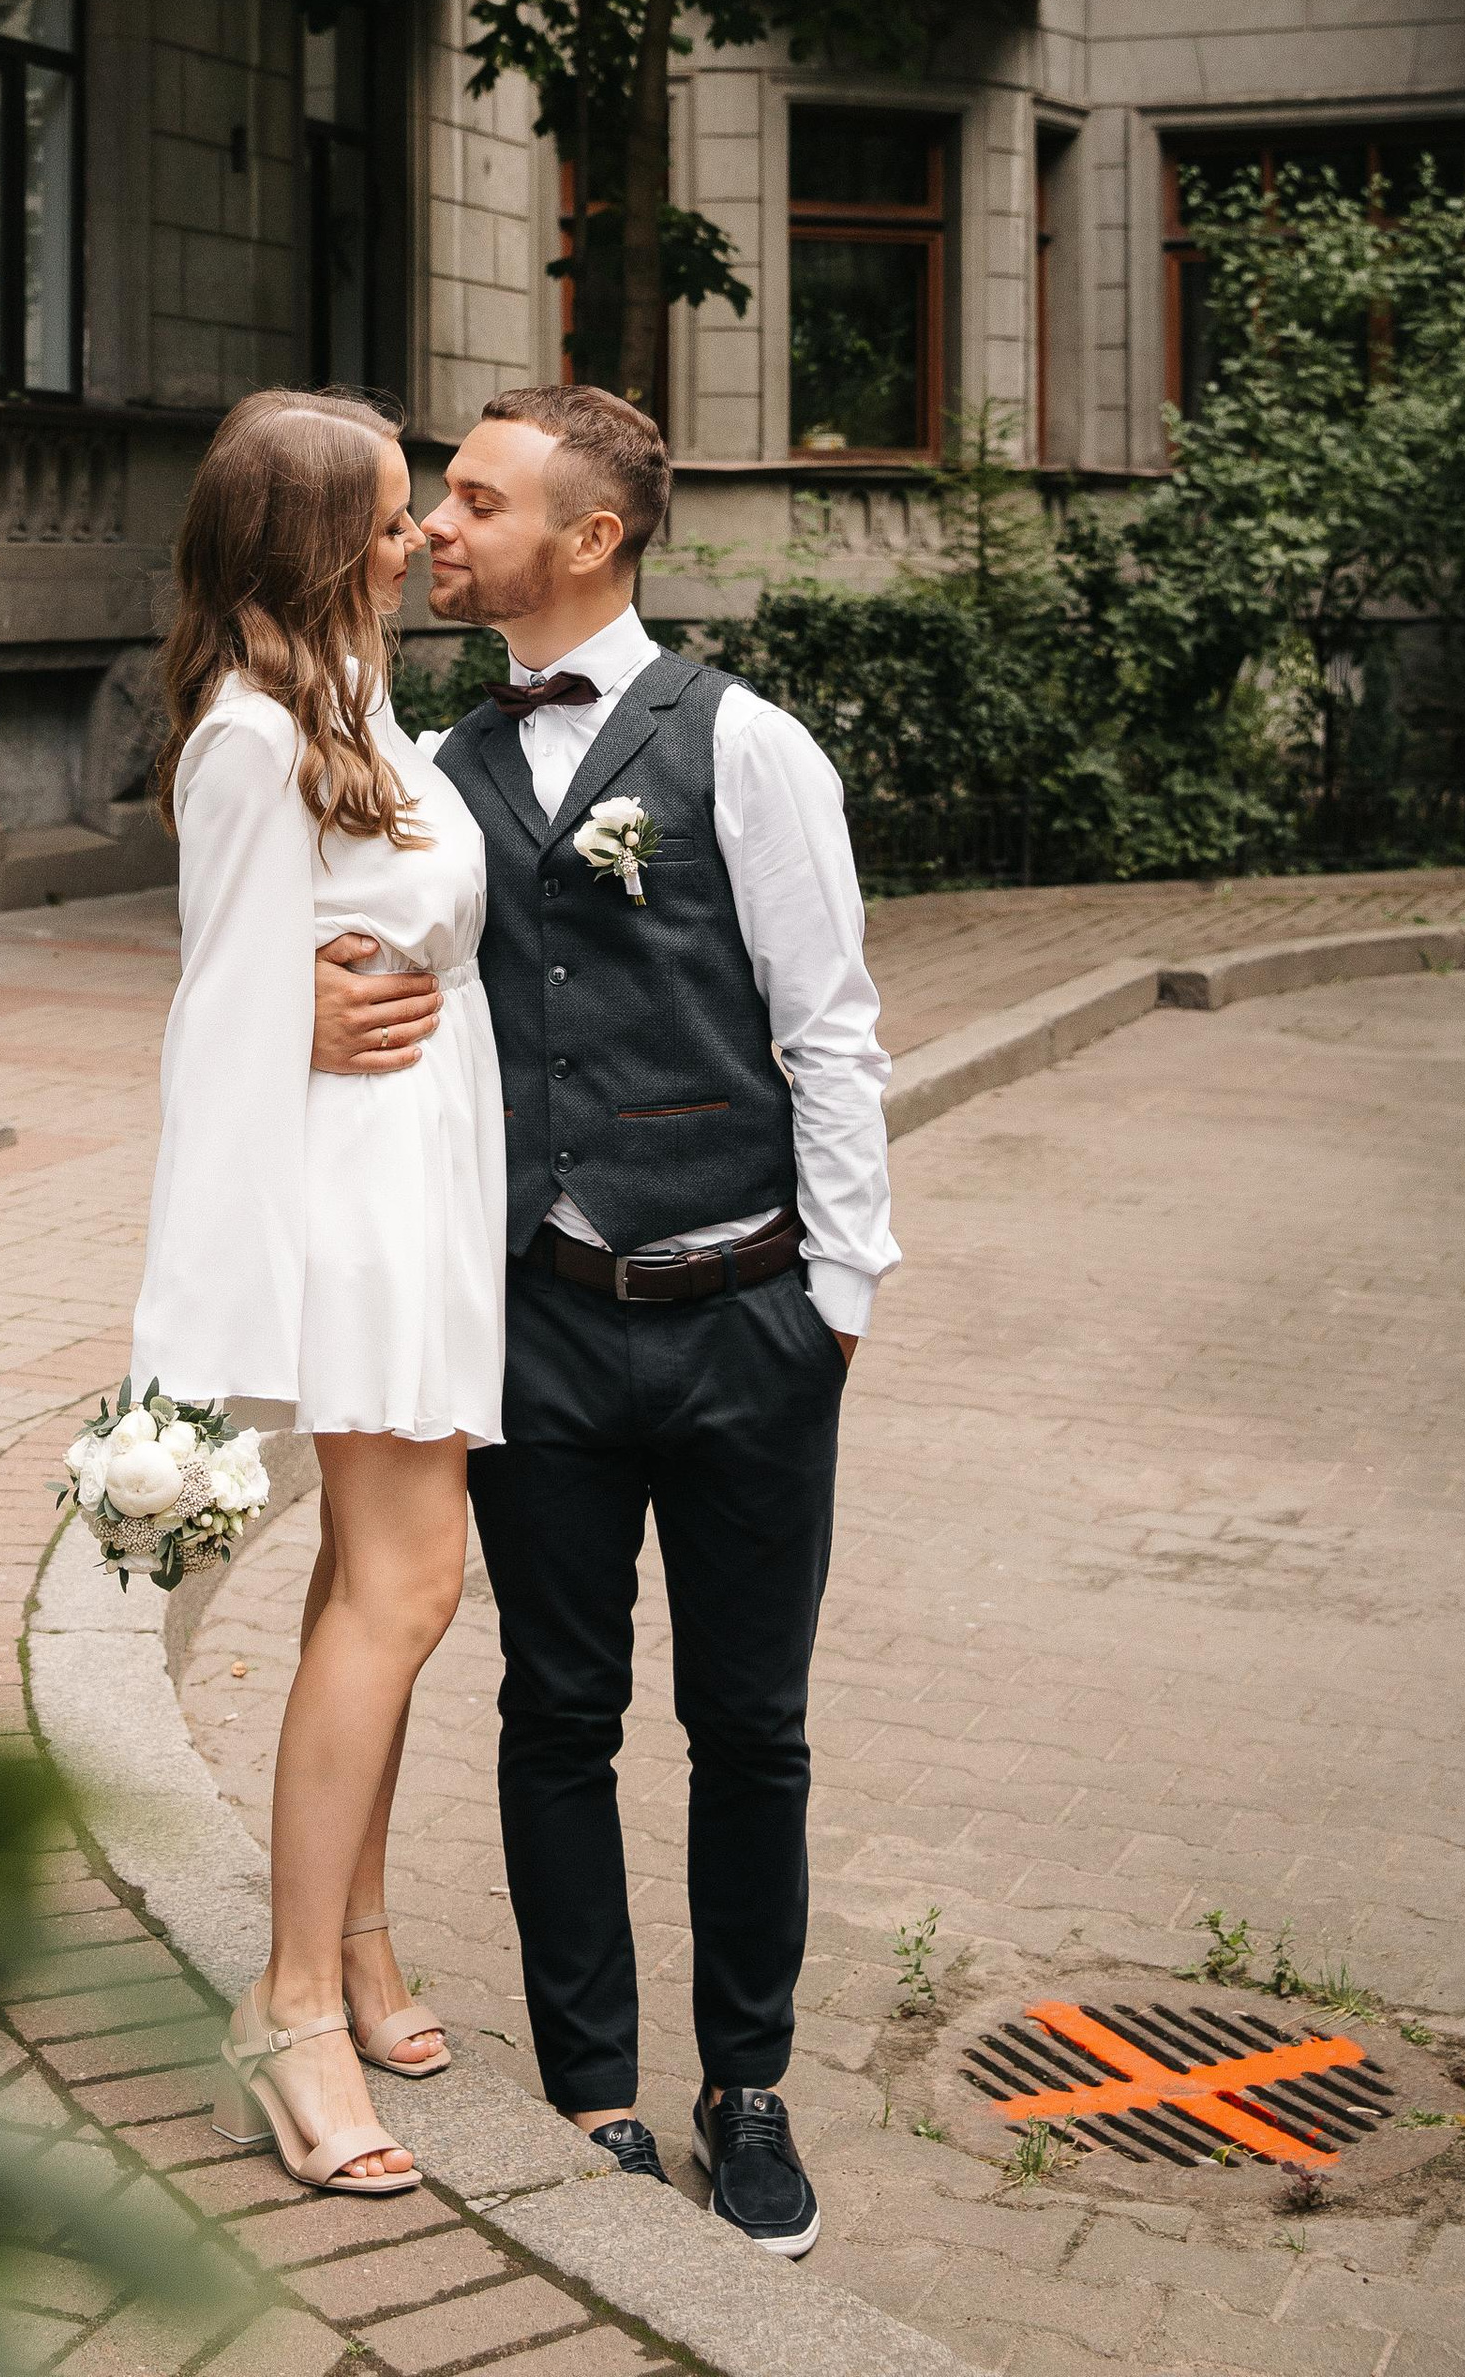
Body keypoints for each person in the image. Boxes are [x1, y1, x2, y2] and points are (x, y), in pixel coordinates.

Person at [311, 382, 895, 2258]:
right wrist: (295, 1008)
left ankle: (749, 2085)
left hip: (745, 1316)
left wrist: (835, 1302)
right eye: (437, 498)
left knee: (752, 1727)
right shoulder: (435, 763)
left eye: (476, 501)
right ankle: (595, 2098)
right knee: (556, 1711)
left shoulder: (748, 747)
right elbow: (338, 957)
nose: (435, 527)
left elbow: (830, 1031)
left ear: (593, 536)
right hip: (536, 1319)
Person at [130, 388, 506, 2201]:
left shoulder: (349, 704)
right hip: (358, 1198)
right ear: (313, 541)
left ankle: (351, 1938)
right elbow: (219, 1002)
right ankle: (286, 2006)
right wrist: (297, 1009)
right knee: (410, 1586)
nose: (416, 537)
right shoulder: (248, 733)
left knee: (373, 1577)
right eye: (389, 515)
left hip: (423, 1167)